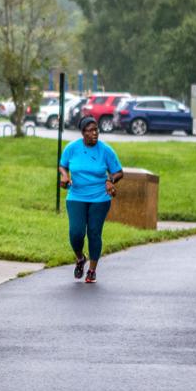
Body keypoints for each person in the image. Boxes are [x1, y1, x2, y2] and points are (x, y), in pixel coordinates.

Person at [58, 116, 123, 283]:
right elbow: (63, 165)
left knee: (94, 232)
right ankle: (80, 258)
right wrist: (64, 176)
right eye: (90, 130)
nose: (95, 133)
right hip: (76, 196)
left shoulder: (106, 150)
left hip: (99, 198)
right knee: (76, 233)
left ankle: (92, 270)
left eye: (97, 130)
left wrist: (110, 180)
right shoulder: (72, 148)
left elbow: (118, 171)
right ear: (83, 133)